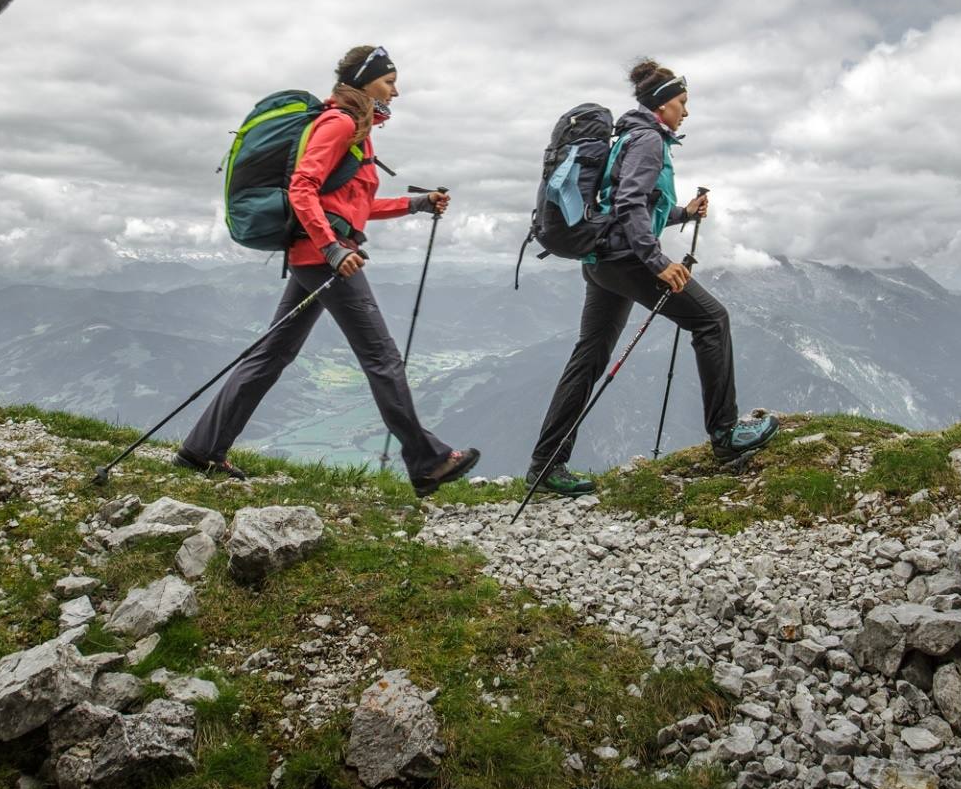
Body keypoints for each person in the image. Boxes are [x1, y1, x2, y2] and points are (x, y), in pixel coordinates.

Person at [177, 45, 480, 496]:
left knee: (271, 355)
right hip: (326, 260)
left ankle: (201, 450)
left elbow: (353, 206)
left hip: (316, 257)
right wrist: (333, 249)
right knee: (382, 359)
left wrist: (415, 203)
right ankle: (427, 459)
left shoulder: (358, 128)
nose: (397, 90)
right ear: (364, 81)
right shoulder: (339, 123)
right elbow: (303, 187)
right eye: (389, 81)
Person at [525, 59, 777, 496]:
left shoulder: (626, 136)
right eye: (682, 103)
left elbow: (627, 201)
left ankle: (545, 465)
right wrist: (657, 260)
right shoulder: (648, 141)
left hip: (601, 261)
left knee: (589, 356)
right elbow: (629, 204)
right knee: (711, 320)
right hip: (629, 260)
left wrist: (682, 214)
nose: (686, 112)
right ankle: (726, 434)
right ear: (662, 106)